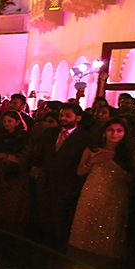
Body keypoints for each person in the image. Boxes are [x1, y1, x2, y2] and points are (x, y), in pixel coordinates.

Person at [69, 118, 135, 260]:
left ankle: (105, 263)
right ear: (104, 133)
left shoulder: (130, 151)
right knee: (85, 226)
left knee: (109, 229)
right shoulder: (93, 148)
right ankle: (79, 258)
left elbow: (132, 178)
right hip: (92, 189)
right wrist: (93, 161)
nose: (114, 134)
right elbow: (80, 171)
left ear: (125, 133)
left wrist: (114, 166)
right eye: (110, 130)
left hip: (116, 193)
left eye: (119, 131)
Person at [30, 103, 94, 246]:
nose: (63, 118)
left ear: (78, 117)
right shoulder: (50, 133)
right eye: (61, 115)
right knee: (41, 219)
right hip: (45, 182)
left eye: (67, 115)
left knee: (60, 222)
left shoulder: (85, 138)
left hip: (66, 185)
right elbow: (38, 153)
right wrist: (35, 167)